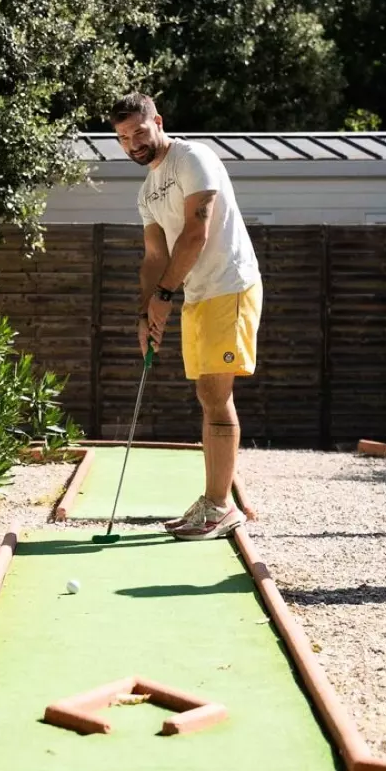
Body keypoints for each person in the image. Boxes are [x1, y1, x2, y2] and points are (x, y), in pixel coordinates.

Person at [111, 92, 261, 540]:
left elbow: (197, 232)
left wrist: (164, 295)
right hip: (197, 294)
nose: (133, 143)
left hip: (229, 285)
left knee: (216, 394)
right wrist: (145, 314)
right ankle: (217, 498)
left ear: (157, 121)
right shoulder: (146, 191)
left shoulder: (194, 157)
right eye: (122, 138)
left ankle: (220, 507)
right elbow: (154, 255)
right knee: (208, 395)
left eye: (139, 131)